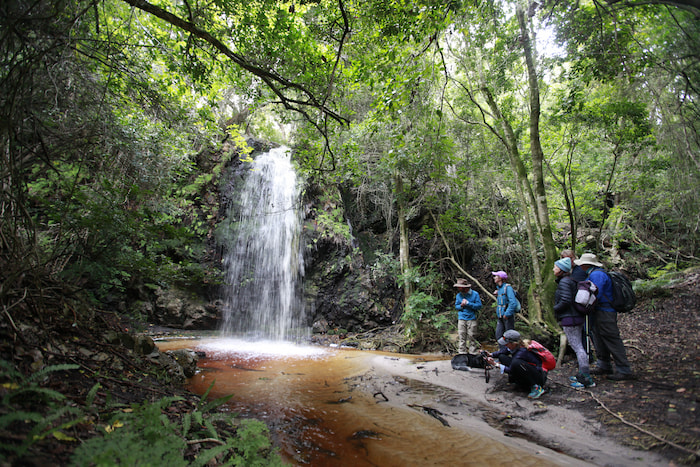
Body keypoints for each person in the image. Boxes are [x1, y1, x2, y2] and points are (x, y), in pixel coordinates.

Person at [575, 253, 635, 381]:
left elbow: (596, 293)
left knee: (611, 338)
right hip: (598, 311)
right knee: (598, 337)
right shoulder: (594, 273)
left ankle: (624, 369)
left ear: (586, 264)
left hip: (604, 311)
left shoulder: (597, 275)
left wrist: (584, 304)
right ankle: (604, 364)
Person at [553, 257, 595, 388]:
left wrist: (554, 309)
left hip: (570, 318)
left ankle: (585, 377)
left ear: (561, 270)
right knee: (579, 346)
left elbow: (566, 300)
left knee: (578, 347)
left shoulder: (564, 282)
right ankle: (583, 374)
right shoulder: (571, 280)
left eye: (555, 267)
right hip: (575, 316)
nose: (553, 269)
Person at [484, 330, 546, 399]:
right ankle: (516, 382)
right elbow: (504, 351)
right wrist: (490, 354)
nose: (505, 345)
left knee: (516, 363)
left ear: (513, 343)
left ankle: (536, 388)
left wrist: (495, 364)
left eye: (507, 343)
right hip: (527, 370)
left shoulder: (522, 351)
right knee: (502, 356)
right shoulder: (515, 347)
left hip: (538, 377)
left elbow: (511, 369)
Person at [453, 278, 483, 354]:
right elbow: (456, 306)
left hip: (472, 318)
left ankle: (472, 354)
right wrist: (461, 305)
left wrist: (468, 303)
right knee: (462, 337)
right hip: (461, 318)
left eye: (459, 287)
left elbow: (479, 306)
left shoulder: (475, 294)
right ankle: (462, 354)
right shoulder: (458, 295)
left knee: (472, 337)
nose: (458, 288)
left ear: (465, 287)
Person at [492, 270, 519, 349]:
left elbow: (513, 302)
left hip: (507, 317)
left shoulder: (508, 288)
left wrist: (507, 314)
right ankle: (502, 353)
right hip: (501, 317)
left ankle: (511, 353)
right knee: (499, 335)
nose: (494, 278)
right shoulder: (500, 289)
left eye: (496, 276)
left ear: (500, 278)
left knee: (509, 338)